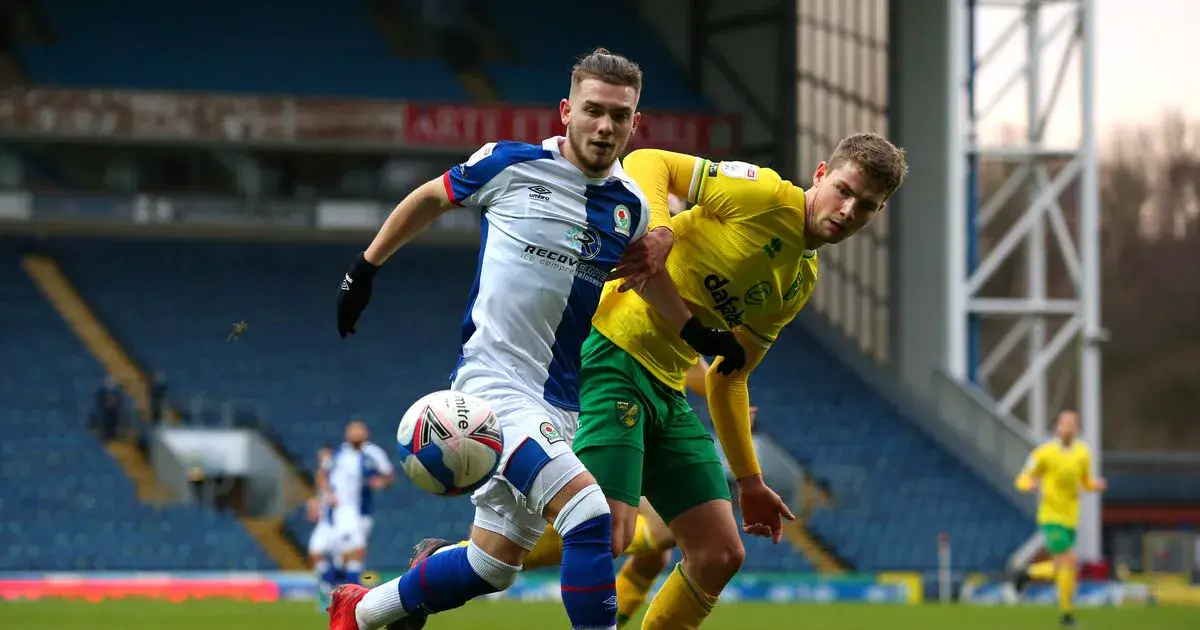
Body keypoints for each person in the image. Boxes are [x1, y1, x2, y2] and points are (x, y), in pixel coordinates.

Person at [420, 133, 910, 628]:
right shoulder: (765, 194)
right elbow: (650, 160)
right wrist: (659, 231)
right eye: (844, 190)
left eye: (866, 206)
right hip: (611, 352)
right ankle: (457, 561)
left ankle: (463, 558)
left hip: (665, 385)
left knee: (719, 554)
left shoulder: (800, 279)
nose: (848, 210)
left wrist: (750, 480)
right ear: (821, 174)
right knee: (611, 532)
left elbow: (728, 378)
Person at [328, 48, 745, 630]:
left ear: (634, 124)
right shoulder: (509, 165)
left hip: (560, 403)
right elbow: (429, 198)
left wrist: (700, 332)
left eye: (619, 116)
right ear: (565, 111)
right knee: (588, 513)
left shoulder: (626, 205)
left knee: (490, 565)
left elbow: (643, 281)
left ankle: (359, 612)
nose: (605, 127)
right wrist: (364, 270)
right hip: (492, 388)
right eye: (593, 111)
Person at [1010, 410, 1106, 628]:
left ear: (1078, 429)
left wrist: (1094, 485)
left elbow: (1085, 481)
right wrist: (1029, 484)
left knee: (1064, 565)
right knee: (1069, 560)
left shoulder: (1083, 453)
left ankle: (1027, 574)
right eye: (1065, 424)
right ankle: (1066, 615)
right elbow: (1023, 477)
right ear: (1057, 428)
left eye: (1072, 424)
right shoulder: (1044, 453)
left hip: (1071, 517)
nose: (1068, 428)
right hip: (1051, 516)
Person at [327, 421, 395, 588]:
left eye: (359, 430)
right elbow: (323, 474)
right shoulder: (338, 454)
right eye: (352, 430)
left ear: (366, 433)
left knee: (349, 553)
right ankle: (350, 588)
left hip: (364, 510)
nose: (356, 434)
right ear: (346, 434)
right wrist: (329, 494)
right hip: (343, 509)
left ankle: (332, 581)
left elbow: (389, 476)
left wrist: (381, 482)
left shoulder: (374, 453)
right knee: (356, 547)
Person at [308, 444, 339, 609]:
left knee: (341, 561)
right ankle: (327, 590)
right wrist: (315, 505)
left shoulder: (337, 477)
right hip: (325, 524)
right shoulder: (322, 481)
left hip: (338, 525)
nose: (322, 460)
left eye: (325, 456)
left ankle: (334, 592)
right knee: (316, 552)